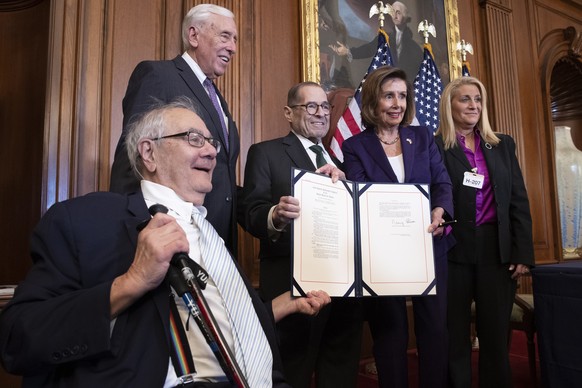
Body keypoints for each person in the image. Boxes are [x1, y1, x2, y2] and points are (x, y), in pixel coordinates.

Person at [0, 98, 331, 388]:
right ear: (149, 152)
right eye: (194, 138)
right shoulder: (86, 220)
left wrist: (278, 306)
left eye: (212, 142)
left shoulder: (214, 238)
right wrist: (132, 282)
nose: (212, 151)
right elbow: (17, 339)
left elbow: (220, 328)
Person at [242, 82, 364, 387]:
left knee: (340, 367)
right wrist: (276, 215)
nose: (321, 113)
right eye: (311, 106)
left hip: (343, 285)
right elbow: (250, 211)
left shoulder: (344, 162)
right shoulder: (266, 153)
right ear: (288, 112)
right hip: (290, 282)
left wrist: (350, 190)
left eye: (325, 106)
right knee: (293, 369)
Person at [341, 65, 454, 388]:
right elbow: (362, 196)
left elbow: (442, 183)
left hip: (428, 245)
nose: (397, 104)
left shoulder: (421, 137)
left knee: (434, 330)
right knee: (390, 334)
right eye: (389, 95)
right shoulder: (355, 147)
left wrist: (440, 211)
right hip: (383, 254)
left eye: (402, 96)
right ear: (373, 101)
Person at [109, 4, 240, 255]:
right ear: (193, 36)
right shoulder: (158, 75)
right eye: (224, 36)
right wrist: (135, 231)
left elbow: (223, 177)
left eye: (234, 39)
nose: (233, 47)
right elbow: (132, 158)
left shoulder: (216, 97)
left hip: (214, 241)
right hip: (170, 238)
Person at [435, 76, 534, 387]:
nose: (473, 105)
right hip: (453, 249)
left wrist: (522, 252)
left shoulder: (502, 145)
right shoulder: (435, 146)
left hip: (496, 250)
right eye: (465, 99)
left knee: (494, 334)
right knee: (455, 334)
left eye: (477, 99)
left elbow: (517, 199)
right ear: (449, 105)